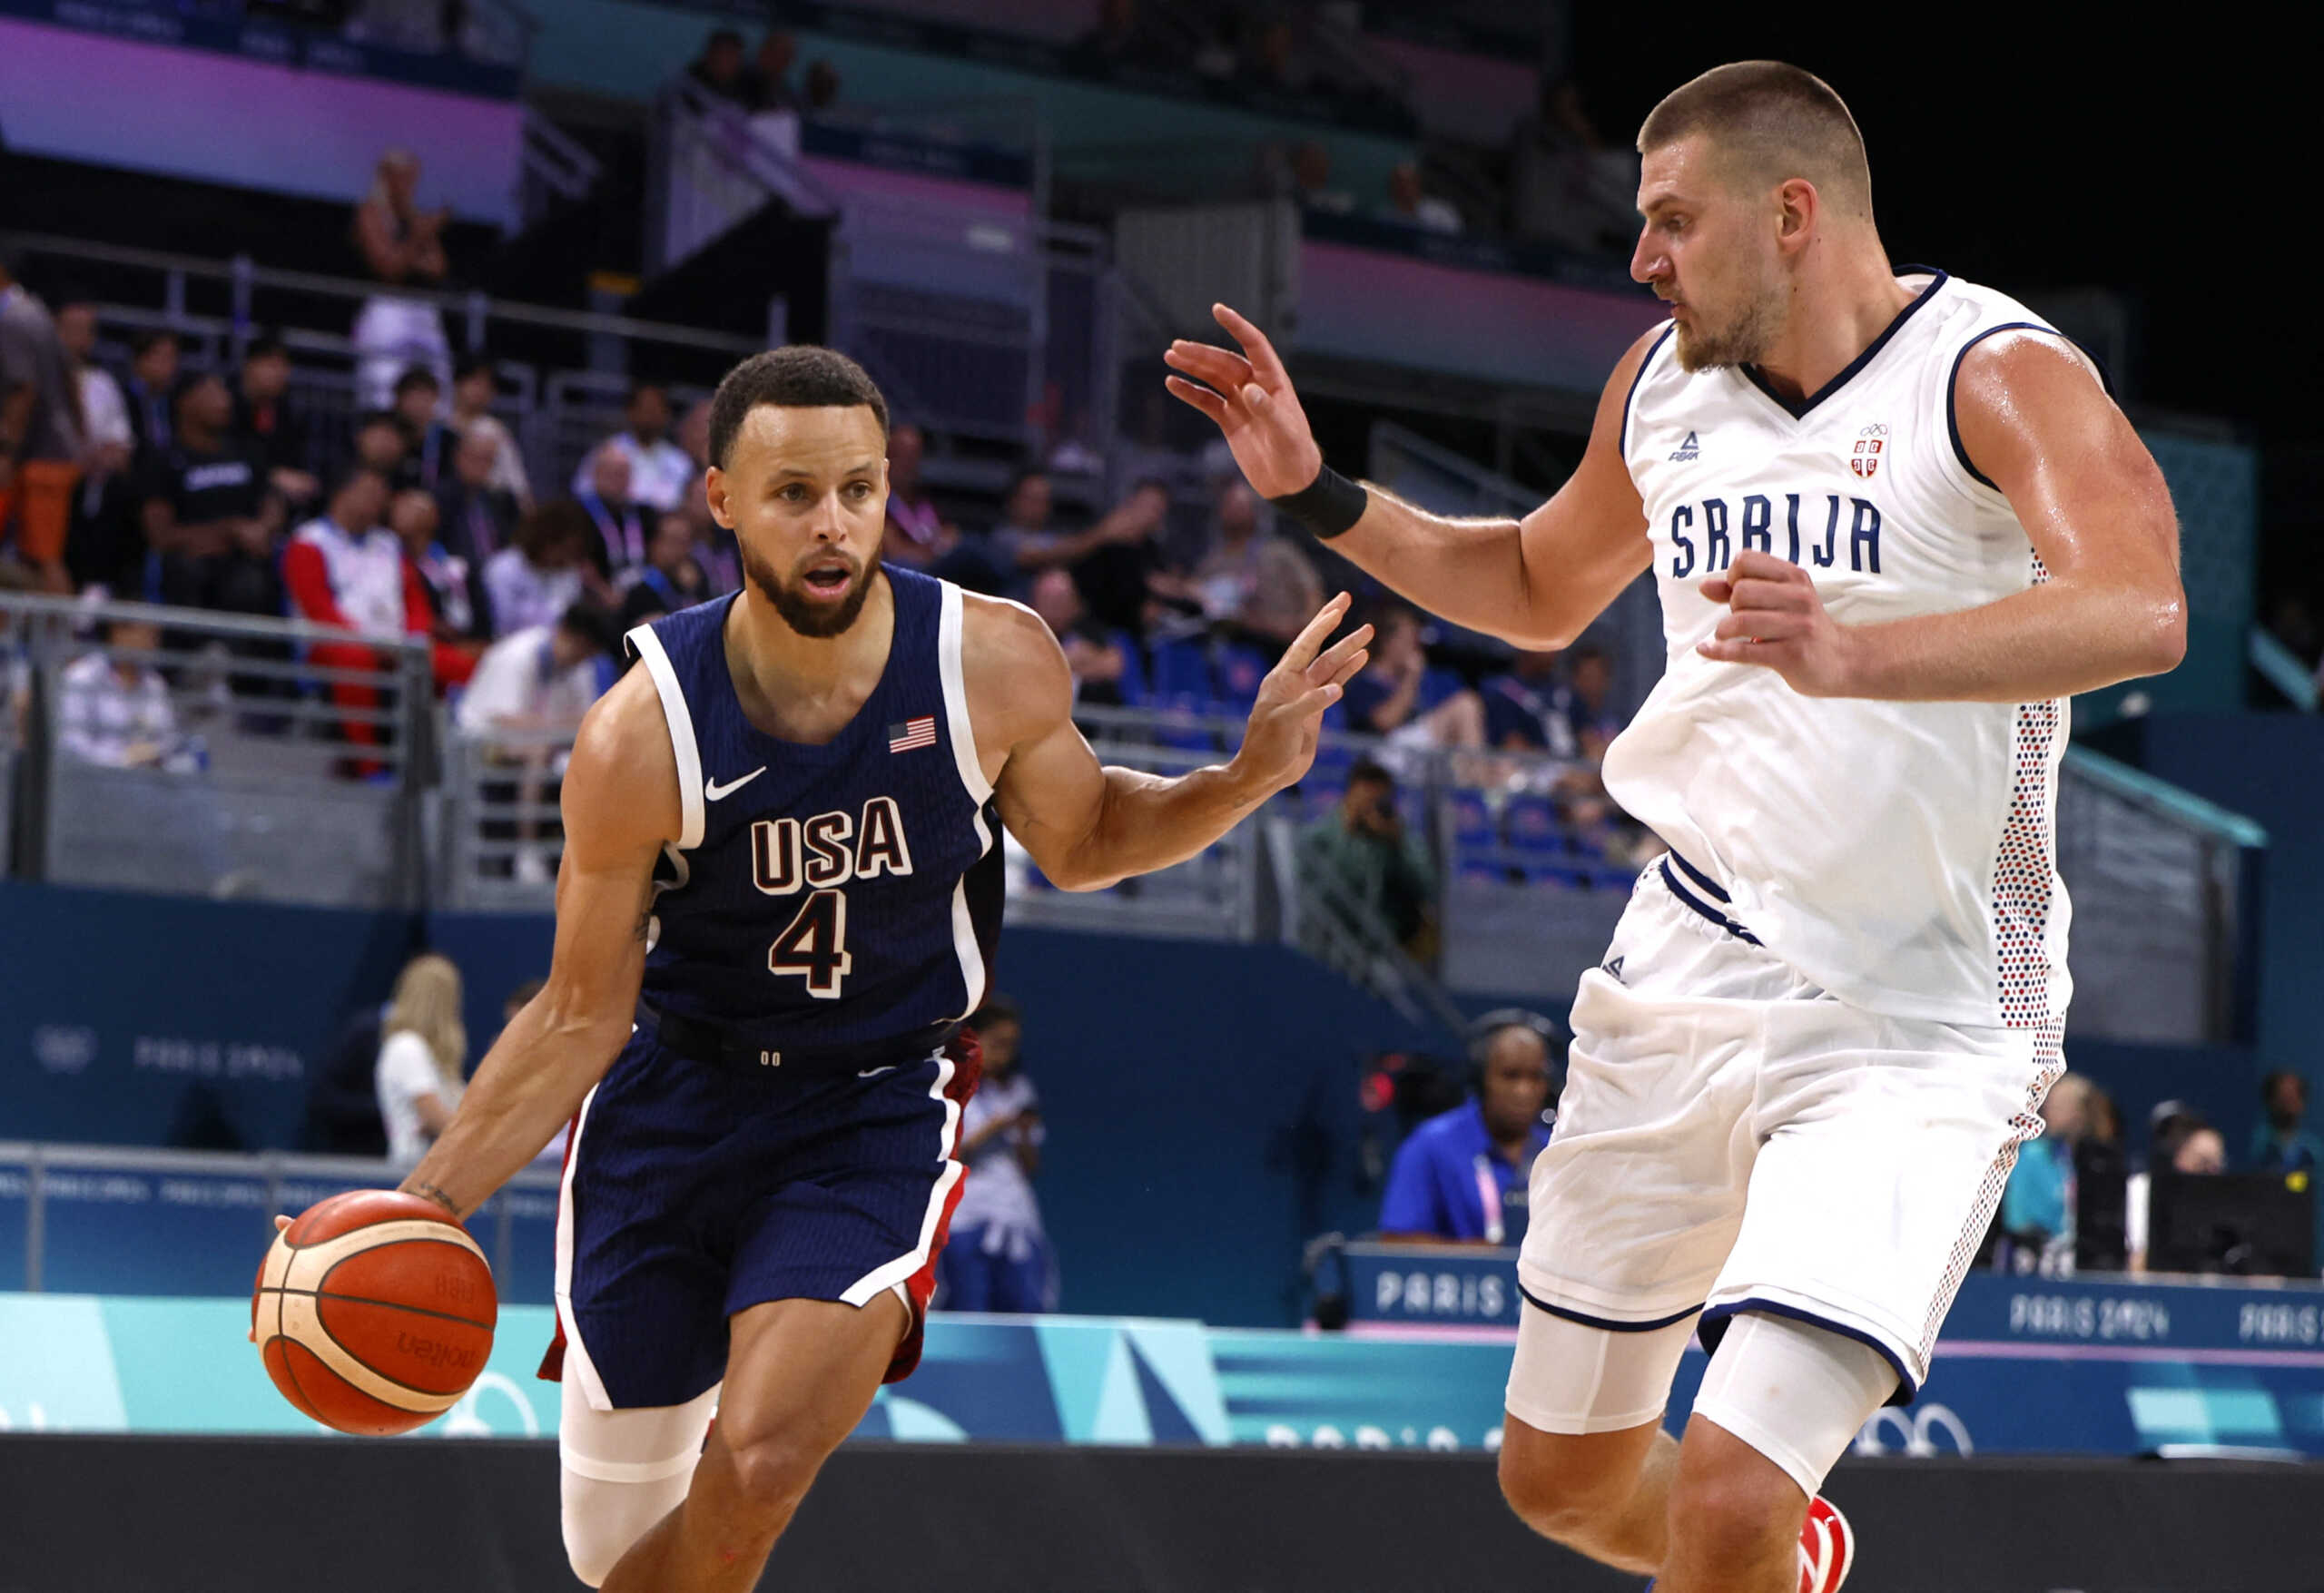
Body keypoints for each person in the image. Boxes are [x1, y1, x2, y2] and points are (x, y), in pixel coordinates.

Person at [1167, 61, 2185, 1593]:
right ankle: (1794, 1564)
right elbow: (1530, 585)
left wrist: (1862, 653)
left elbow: (2143, 608)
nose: (1640, 257)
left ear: (1791, 215)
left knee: (1719, 1499)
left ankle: (1757, 1542)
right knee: (1561, 1481)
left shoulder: (1990, 372)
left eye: (1668, 220)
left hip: (1919, 1010)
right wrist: (1322, 498)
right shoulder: (1660, 386)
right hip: (1687, 959)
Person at [375, 345, 1364, 1591]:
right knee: (612, 1551)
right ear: (722, 501)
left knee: (764, 1457)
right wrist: (422, 1204)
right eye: (793, 493)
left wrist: (1243, 778)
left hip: (871, 1105)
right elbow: (580, 1012)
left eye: (858, 486)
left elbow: (1093, 837)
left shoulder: (989, 661)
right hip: (672, 1104)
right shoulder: (640, 732)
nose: (833, 521)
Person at [1378, 1020, 1556, 1246]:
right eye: (1511, 1076)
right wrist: (1483, 1261)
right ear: (1482, 1080)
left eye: (1535, 1077)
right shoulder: (1431, 1145)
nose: (1524, 1091)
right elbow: (1396, 1243)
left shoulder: (1555, 1151)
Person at [936, 994, 1054, 1313]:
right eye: (998, 1043)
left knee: (1025, 1309)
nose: (1005, 1053)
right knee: (968, 1307)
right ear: (975, 1039)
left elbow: (1031, 1166)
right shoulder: (949, 1085)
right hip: (965, 1216)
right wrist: (995, 1126)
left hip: (1015, 1216)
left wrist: (1024, 1134)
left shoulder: (1020, 1089)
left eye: (1011, 1045)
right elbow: (947, 1158)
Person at [136, 374, 282, 616]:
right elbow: (159, 535)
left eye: (224, 393)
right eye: (213, 393)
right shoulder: (165, 461)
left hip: (245, 560)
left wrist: (263, 528)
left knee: (252, 582)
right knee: (189, 572)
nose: (224, 401)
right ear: (185, 403)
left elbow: (272, 500)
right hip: (192, 564)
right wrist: (228, 531)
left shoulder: (245, 450)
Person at [0, 249, 85, 591]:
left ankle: (65, 642)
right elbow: (71, 381)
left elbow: (24, 390)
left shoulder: (13, 319)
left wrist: (6, 453)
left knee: (44, 557)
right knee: (29, 557)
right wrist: (80, 438)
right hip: (51, 453)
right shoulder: (36, 312)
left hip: (42, 459)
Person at [1298, 757, 1434, 959]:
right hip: (1327, 947)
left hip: (1386, 948)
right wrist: (1347, 833)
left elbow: (1426, 887)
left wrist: (1396, 845)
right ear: (1350, 795)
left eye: (1379, 799)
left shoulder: (1400, 837)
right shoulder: (1322, 836)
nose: (1371, 806)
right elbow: (1314, 893)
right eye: (1366, 797)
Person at [351, 150, 453, 412]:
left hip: (422, 311)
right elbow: (388, 268)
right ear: (386, 177)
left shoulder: (415, 216)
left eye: (413, 178)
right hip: (387, 310)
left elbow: (438, 268)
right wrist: (418, 238)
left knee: (438, 388)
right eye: (404, 177)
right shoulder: (371, 213)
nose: (410, 185)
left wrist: (417, 238)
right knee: (383, 388)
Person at [1177, 479, 1323, 644]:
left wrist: (1306, 631)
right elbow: (1197, 596)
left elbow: (1312, 591)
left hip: (1288, 640)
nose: (1235, 511)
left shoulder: (1280, 551)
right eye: (1230, 505)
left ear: (1256, 511)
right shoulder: (1213, 562)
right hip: (1240, 647)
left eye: (1242, 505)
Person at [54, 616, 189, 770]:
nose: (153, 643)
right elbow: (73, 744)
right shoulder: (81, 677)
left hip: (143, 779)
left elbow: (167, 736)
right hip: (90, 778)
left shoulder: (154, 683)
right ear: (118, 633)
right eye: (147, 634)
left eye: (155, 636)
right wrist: (123, 759)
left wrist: (153, 752)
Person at [375, 952, 468, 1165]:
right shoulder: (407, 1047)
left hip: (438, 1171)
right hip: (414, 1171)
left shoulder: (428, 1053)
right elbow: (433, 1116)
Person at [1997, 1070, 2093, 1261]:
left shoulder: (2089, 1160)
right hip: (2030, 1255)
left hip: (2074, 1255)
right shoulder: (2032, 1154)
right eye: (2050, 1104)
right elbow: (2015, 1214)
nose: (2049, 1110)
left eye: (2061, 1106)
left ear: (2080, 1113)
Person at [573, 385, 695, 514]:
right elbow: (582, 489)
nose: (649, 416)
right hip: (614, 522)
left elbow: (686, 505)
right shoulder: (607, 452)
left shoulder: (679, 461)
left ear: (666, 414)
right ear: (630, 412)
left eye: (655, 409)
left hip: (662, 525)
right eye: (644, 409)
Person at [486, 499, 599, 638]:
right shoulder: (503, 569)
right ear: (547, 543)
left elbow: (571, 622)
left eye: (573, 552)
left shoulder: (568, 572)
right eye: (565, 550)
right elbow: (504, 627)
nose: (567, 559)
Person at [232, 332, 319, 507]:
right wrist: (271, 475)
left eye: (284, 367)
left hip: (276, 499)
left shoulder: (285, 411)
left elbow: (293, 460)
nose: (281, 374)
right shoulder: (226, 404)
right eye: (272, 366)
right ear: (251, 365)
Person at [1028, 567, 1126, 707]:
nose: (1054, 607)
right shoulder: (1022, 631)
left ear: (1074, 604)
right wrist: (1072, 662)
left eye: (1061, 599)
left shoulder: (1087, 629)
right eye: (1048, 599)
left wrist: (1064, 669)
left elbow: (1113, 665)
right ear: (1034, 602)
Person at [451, 356, 532, 505]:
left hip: (484, 503)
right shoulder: (439, 424)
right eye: (475, 382)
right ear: (458, 383)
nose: (480, 391)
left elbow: (518, 487)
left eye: (487, 386)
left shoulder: (495, 431)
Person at [877, 421, 953, 569]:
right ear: (886, 459)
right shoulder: (879, 504)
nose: (908, 465)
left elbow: (952, 535)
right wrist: (936, 549)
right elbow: (896, 552)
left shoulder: (925, 499)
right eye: (902, 456)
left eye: (914, 457)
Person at [619, 512, 713, 626]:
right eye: (673, 541)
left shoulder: (695, 581)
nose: (681, 549)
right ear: (654, 543)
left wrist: (692, 591)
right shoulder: (635, 585)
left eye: (685, 542)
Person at [576, 444, 650, 579]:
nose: (619, 480)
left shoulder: (644, 513)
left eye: (624, 474)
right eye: (613, 473)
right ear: (596, 474)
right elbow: (578, 562)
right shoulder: (578, 512)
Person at [2250, 1071, 2324, 1176]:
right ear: (2270, 1101)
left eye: (2293, 1097)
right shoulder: (2257, 1145)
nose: (2288, 1104)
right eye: (2283, 1097)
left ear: (2302, 1102)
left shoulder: (2314, 1150)